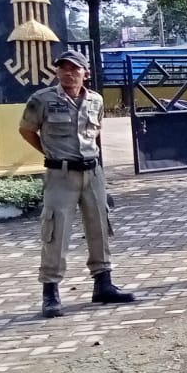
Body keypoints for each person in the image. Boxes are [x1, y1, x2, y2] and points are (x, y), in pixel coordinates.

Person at [19, 50, 133, 317]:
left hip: (92, 173)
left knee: (100, 226)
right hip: (61, 175)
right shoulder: (42, 100)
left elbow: (97, 133)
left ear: (86, 73)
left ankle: (103, 285)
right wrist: (50, 153)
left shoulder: (95, 100)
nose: (68, 73)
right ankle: (51, 292)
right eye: (63, 68)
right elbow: (26, 130)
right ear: (57, 72)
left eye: (74, 68)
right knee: (56, 230)